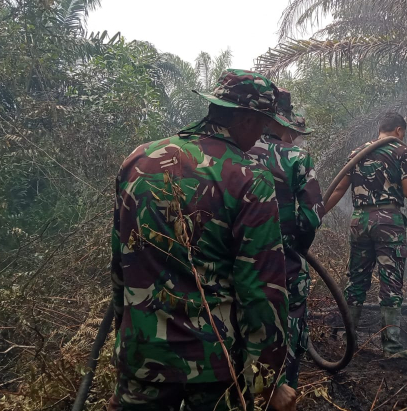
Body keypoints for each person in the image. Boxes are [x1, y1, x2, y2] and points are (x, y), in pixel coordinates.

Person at [110, 70, 297, 411]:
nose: (261, 135)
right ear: (246, 119)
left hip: (142, 354)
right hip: (214, 366)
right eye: (262, 125)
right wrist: (267, 379)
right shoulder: (250, 177)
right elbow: (261, 289)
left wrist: (124, 339)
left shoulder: (138, 160)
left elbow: (121, 264)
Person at [324, 112, 407, 357]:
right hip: (388, 223)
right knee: (391, 283)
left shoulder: (357, 153)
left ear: (380, 129)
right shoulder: (402, 151)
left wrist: (317, 213)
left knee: (356, 281)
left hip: (359, 222)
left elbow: (338, 189)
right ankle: (391, 347)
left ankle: (347, 341)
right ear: (399, 130)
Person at [247, 89, 324, 389]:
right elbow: (311, 217)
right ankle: (283, 390)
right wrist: (295, 248)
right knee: (289, 327)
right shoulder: (296, 157)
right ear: (282, 123)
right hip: (285, 265)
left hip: (238, 262)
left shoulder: (235, 150)